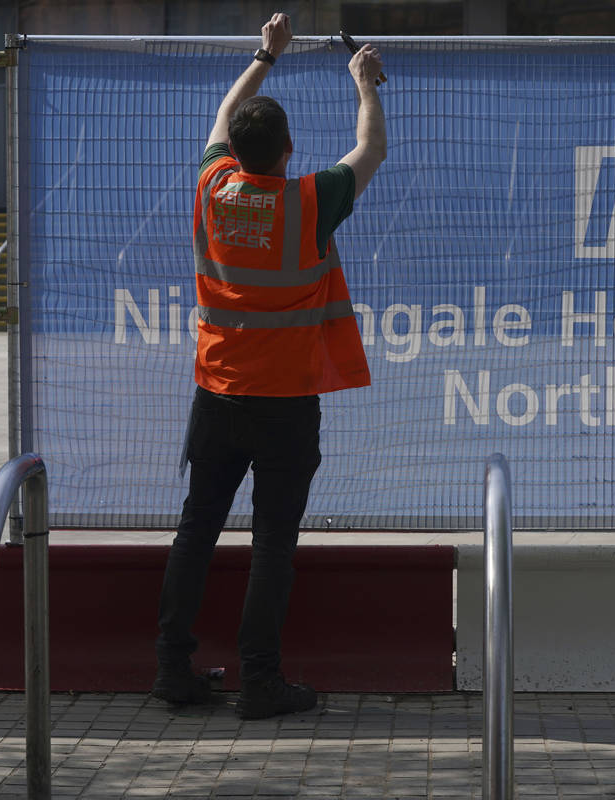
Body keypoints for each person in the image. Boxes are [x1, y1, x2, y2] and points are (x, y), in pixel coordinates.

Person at [152, 12, 386, 719]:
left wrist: (265, 54)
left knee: (197, 529)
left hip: (216, 391)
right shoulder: (308, 202)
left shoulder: (211, 187)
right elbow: (371, 147)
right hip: (285, 403)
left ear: (239, 150)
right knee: (272, 546)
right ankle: (260, 682)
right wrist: (365, 82)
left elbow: (225, 112)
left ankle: (171, 671)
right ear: (289, 150)